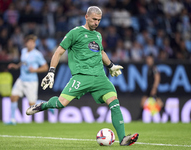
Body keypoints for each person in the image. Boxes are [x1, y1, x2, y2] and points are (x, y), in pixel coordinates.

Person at [26, 6, 139, 146]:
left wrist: (111, 66)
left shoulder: (98, 35)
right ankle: (43, 106)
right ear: (86, 17)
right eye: (94, 19)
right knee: (61, 103)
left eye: (99, 20)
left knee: (114, 103)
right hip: (81, 77)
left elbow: (101, 53)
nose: (96, 23)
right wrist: (51, 71)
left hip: (100, 77)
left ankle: (123, 139)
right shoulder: (75, 33)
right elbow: (59, 52)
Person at [7, 34, 49, 125]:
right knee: (13, 97)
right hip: (21, 79)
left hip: (31, 81)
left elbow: (45, 67)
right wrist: (16, 66)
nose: (31, 44)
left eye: (33, 42)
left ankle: (47, 104)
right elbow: (23, 62)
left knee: (32, 105)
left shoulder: (37, 54)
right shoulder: (23, 51)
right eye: (29, 42)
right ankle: (12, 120)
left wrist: (35, 70)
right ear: (26, 43)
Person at [137, 54, 164, 120]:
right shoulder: (149, 68)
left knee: (158, 101)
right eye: (147, 59)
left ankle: (166, 114)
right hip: (149, 87)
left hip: (152, 87)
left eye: (149, 59)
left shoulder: (154, 68)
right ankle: (140, 116)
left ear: (152, 60)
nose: (148, 61)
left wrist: (154, 88)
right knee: (143, 101)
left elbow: (157, 78)